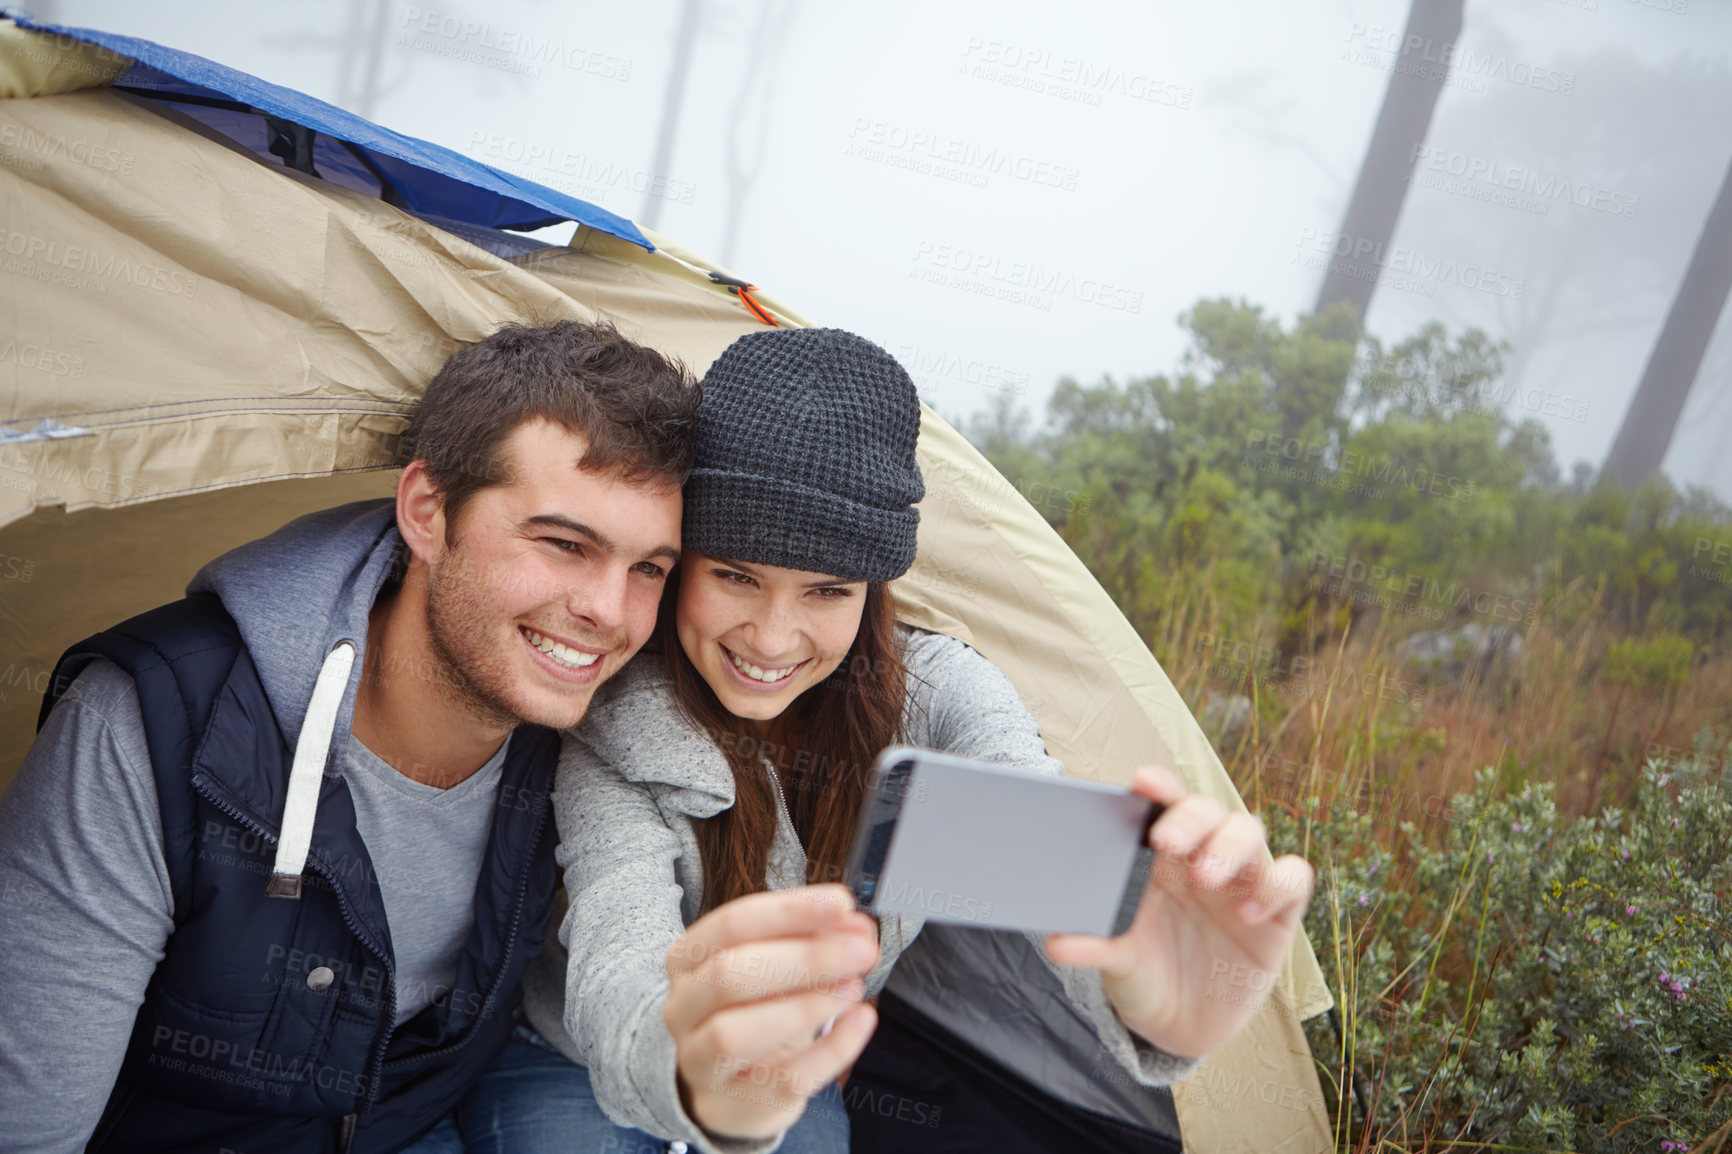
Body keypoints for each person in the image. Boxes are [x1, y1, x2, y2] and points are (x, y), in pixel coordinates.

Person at [460, 328, 1316, 1154]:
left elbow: (1046, 863)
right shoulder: (616, 712)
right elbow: (617, 951)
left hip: (796, 1080)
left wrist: (1150, 1006)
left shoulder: (940, 700)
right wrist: (696, 1076)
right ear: (685, 560)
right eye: (734, 575)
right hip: (569, 1064)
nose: (771, 636)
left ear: (873, 593)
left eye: (827, 591)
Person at [0, 321, 699, 1153]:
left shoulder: (592, 724)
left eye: (649, 568)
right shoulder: (153, 724)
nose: (609, 614)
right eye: (562, 544)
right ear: (428, 513)